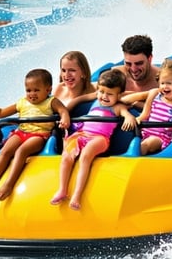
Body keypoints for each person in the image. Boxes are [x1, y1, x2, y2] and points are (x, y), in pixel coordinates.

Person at [0, 68, 70, 202]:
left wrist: (64, 119)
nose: (32, 94)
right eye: (28, 90)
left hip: (39, 135)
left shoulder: (51, 101)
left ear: (48, 90)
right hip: (21, 132)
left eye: (36, 90)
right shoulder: (22, 102)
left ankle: (8, 184)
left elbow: (63, 110)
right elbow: (0, 112)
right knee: (6, 151)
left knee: (21, 151)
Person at [52, 69, 135, 210]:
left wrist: (128, 117)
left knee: (85, 156)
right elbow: (79, 100)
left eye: (110, 94)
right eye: (102, 92)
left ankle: (77, 195)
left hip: (100, 138)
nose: (104, 96)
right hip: (82, 134)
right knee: (66, 156)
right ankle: (62, 189)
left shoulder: (117, 107)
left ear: (119, 95)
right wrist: (64, 112)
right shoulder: (95, 99)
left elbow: (127, 115)